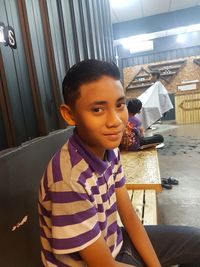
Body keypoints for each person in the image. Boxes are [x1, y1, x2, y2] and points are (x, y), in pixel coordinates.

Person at [38, 59, 200, 267]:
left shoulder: (110, 150)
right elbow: (103, 264)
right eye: (97, 109)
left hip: (117, 242)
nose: (115, 120)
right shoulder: (68, 180)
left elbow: (130, 215)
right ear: (69, 114)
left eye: (119, 105)